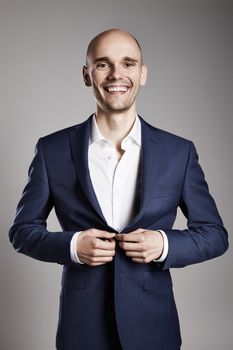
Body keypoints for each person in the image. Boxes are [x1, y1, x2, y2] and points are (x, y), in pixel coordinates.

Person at [9, 29, 228, 350]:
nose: (116, 75)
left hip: (154, 325)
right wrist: (72, 246)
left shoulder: (178, 152)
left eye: (128, 64)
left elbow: (215, 235)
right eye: (102, 65)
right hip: (80, 326)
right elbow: (22, 231)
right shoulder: (51, 150)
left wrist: (164, 244)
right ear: (87, 75)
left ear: (142, 74)